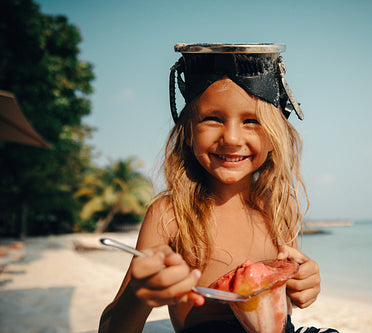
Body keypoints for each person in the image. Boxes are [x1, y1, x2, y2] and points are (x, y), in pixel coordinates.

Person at [99, 43, 338, 333]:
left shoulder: (279, 207)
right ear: (187, 130)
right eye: (213, 119)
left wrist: (305, 283)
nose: (232, 138)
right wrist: (140, 292)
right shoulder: (171, 215)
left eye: (252, 121)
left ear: (275, 136)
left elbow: (279, 309)